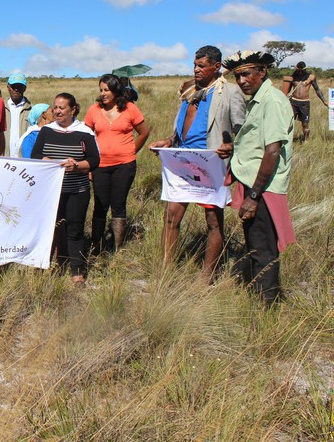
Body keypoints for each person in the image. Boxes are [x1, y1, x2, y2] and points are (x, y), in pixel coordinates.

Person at [148, 45, 246, 280]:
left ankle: (206, 277)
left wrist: (231, 147)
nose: (196, 70)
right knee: (171, 216)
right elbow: (183, 129)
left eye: (202, 66)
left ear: (216, 67)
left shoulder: (229, 92)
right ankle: (166, 272)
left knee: (213, 221)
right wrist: (169, 141)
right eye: (194, 65)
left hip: (210, 164)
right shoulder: (190, 91)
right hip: (182, 162)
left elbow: (244, 133)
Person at [220, 50, 295, 305]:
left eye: (246, 74)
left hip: (262, 188)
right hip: (254, 183)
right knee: (255, 244)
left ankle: (267, 307)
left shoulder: (272, 101)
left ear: (262, 73)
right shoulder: (258, 100)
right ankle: (262, 298)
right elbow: (258, 142)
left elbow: (272, 150)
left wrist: (254, 196)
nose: (241, 81)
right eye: (238, 76)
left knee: (263, 248)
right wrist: (234, 149)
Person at [32, 93, 100, 283]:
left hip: (77, 189)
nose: (57, 111)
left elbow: (95, 160)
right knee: (49, 228)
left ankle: (77, 270)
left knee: (75, 229)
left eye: (62, 108)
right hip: (50, 192)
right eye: (55, 107)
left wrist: (77, 166)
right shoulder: (46, 131)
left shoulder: (85, 132)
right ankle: (43, 266)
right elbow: (35, 154)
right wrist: (45, 160)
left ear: (73, 110)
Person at [84, 74, 150, 253]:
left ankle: (116, 248)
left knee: (118, 204)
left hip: (125, 165)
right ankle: (95, 245)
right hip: (100, 165)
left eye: (107, 90)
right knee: (100, 204)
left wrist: (131, 151)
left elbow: (144, 132)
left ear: (116, 91)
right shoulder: (94, 110)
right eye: (101, 90)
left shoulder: (130, 109)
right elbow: (85, 137)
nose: (103, 93)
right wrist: (88, 164)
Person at [281, 61, 326, 142]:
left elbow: (317, 90)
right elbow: (287, 90)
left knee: (305, 124)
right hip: (293, 102)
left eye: (302, 70)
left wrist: (324, 101)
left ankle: (306, 140)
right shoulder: (293, 76)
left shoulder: (310, 77)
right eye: (299, 70)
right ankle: (287, 139)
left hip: (304, 103)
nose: (301, 72)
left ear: (305, 69)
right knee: (288, 121)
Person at [3, 73, 32, 157]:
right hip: (4, 158)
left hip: (23, 159)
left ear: (24, 88)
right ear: (8, 87)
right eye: (13, 86)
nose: (16, 89)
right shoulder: (0, 107)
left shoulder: (32, 110)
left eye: (19, 86)